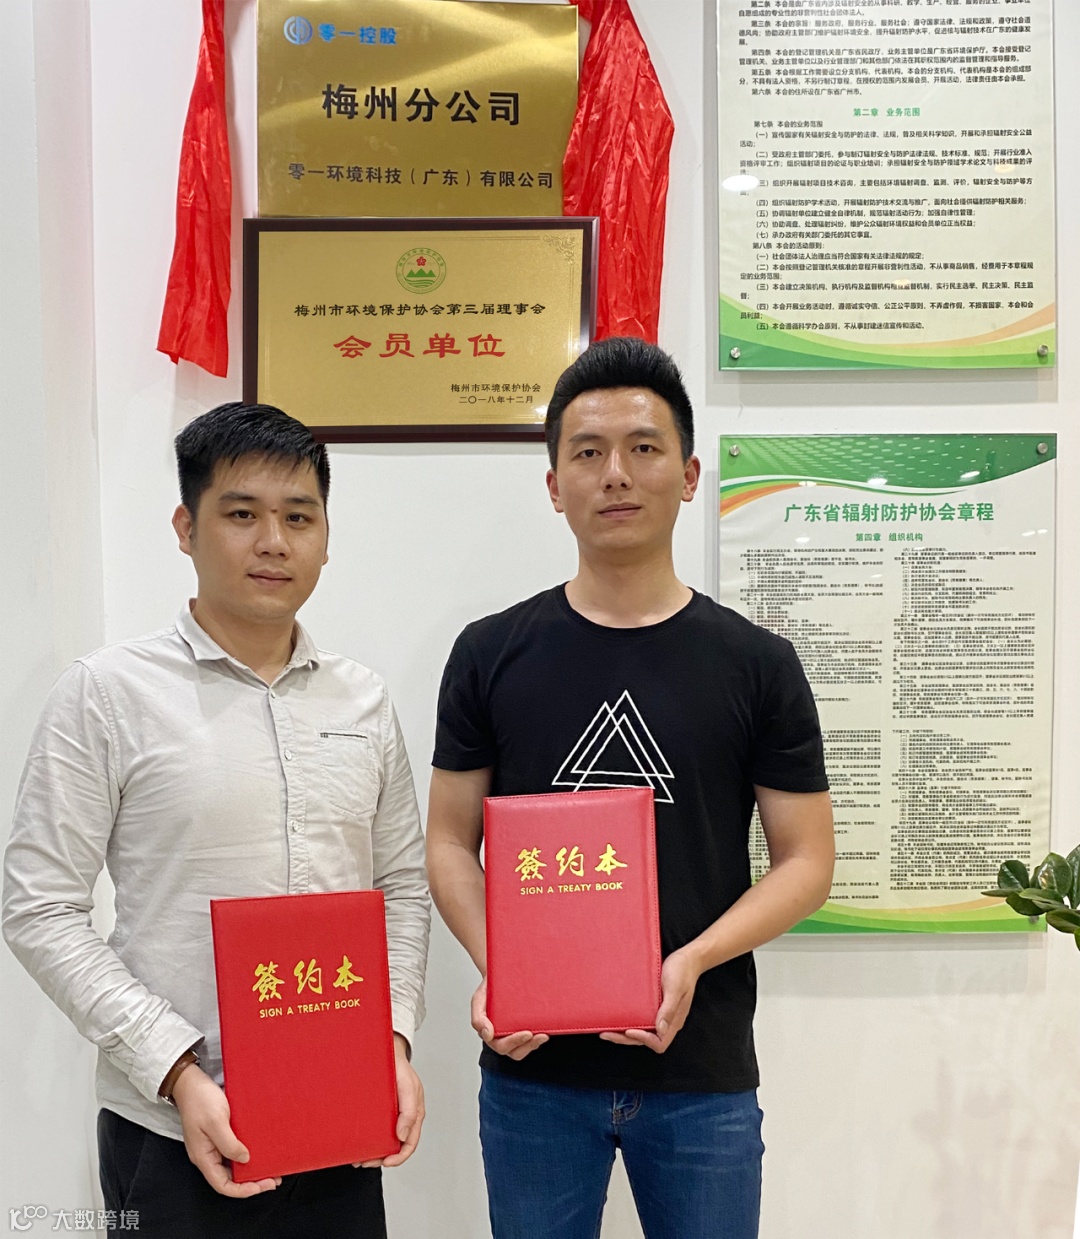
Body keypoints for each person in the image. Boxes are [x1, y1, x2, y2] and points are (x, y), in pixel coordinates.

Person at [426, 337, 834, 1239]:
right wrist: (504, 967)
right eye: (588, 451)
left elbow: (807, 861)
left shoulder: (758, 664)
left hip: (702, 1073)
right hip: (534, 1074)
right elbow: (449, 841)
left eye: (644, 447)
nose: (615, 473)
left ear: (688, 476)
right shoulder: (490, 654)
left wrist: (691, 961)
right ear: (553, 484)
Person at [3, 402, 430, 1238]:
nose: (274, 541)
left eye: (299, 517)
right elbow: (38, 907)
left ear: (326, 536)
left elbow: (402, 886)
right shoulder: (106, 693)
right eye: (241, 514)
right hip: (172, 1129)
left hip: (342, 1121)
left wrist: (391, 1038)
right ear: (185, 527)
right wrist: (174, 1067)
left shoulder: (364, 700)